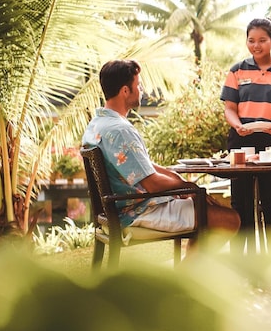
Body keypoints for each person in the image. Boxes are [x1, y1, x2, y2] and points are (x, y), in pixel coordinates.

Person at [82, 59, 240, 239]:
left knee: (204, 206)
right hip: (136, 212)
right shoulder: (120, 130)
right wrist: (187, 186)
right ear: (125, 91)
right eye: (138, 85)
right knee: (230, 219)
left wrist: (182, 182)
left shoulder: (97, 125)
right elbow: (153, 184)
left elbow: (146, 166)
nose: (142, 90)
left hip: (119, 209)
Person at [221, 18, 271, 254]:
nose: (256, 46)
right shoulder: (237, 70)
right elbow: (229, 108)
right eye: (251, 40)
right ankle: (240, 259)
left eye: (262, 40)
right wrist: (238, 126)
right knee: (240, 202)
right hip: (240, 140)